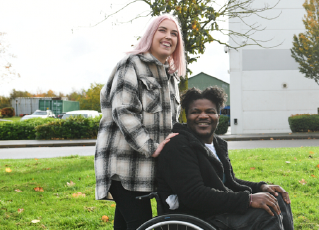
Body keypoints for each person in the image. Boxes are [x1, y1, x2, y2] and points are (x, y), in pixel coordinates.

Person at [155, 87, 294, 230]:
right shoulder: (178, 146)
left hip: (217, 212)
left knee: (277, 199)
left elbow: (229, 181)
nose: (203, 116)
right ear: (186, 116)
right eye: (195, 112)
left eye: (210, 112)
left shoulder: (217, 144)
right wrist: (249, 199)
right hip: (196, 218)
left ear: (218, 116)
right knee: (266, 214)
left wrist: (261, 187)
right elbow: (194, 195)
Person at [94, 14, 185, 230]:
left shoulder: (171, 76)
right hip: (126, 167)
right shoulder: (130, 64)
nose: (168, 37)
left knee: (127, 225)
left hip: (150, 169)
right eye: (162, 30)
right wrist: (152, 148)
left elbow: (172, 121)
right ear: (150, 34)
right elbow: (123, 112)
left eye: (174, 34)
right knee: (142, 225)